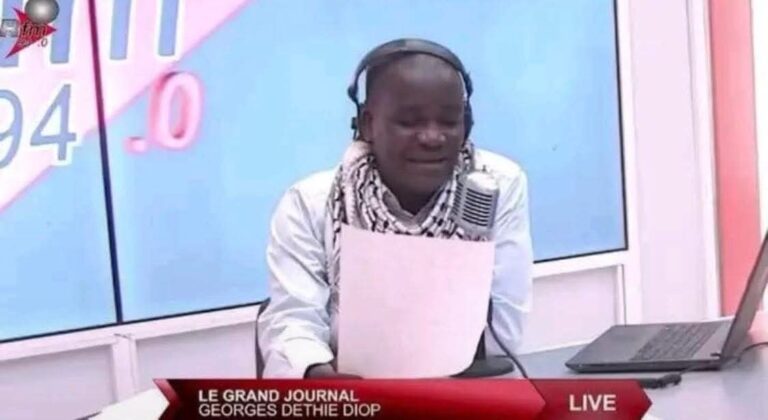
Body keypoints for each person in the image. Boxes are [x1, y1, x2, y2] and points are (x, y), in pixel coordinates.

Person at [257, 39, 533, 378]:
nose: (432, 137)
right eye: (410, 122)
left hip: (465, 388)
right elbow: (293, 323)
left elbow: (504, 335)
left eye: (449, 121)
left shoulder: (496, 185)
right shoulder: (309, 203)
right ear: (367, 124)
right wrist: (318, 374)